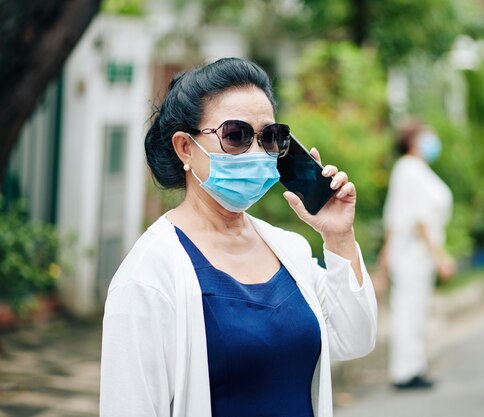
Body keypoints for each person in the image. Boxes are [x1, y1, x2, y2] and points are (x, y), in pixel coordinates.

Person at [99, 57, 377, 417]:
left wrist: (339, 237)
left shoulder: (289, 250)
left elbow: (354, 337)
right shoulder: (148, 276)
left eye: (270, 137)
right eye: (236, 135)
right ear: (185, 147)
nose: (258, 153)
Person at [378, 120, 456, 390]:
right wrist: (441, 256)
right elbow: (418, 220)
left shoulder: (416, 170)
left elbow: (394, 215)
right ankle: (404, 371)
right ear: (413, 141)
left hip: (415, 253)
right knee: (408, 310)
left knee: (415, 309)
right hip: (412, 252)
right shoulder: (409, 169)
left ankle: (414, 366)